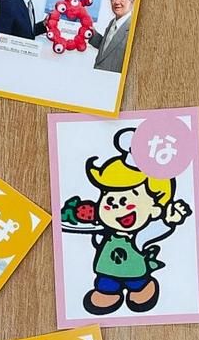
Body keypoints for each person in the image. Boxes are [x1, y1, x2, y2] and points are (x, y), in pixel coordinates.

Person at [75, 132, 191, 315]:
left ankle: (142, 289)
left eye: (127, 199)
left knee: (137, 283)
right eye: (109, 198)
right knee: (106, 285)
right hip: (106, 273)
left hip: (135, 273)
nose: (116, 206)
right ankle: (106, 293)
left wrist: (170, 220)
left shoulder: (139, 237)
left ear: (154, 209)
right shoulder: (103, 231)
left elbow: (157, 229)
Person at [89, 0, 135, 73]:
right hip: (98, 75)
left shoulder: (134, 27)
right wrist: (92, 33)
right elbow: (108, 49)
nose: (117, 2)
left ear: (131, 1)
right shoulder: (112, 22)